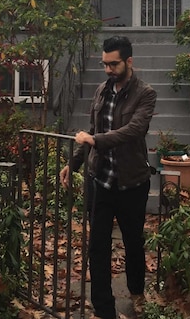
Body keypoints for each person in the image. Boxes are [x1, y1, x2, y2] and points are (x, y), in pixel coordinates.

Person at [60, 36, 157, 319]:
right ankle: (104, 310)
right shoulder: (102, 90)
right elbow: (92, 129)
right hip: (100, 181)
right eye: (104, 64)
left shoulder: (145, 94)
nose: (108, 70)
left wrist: (95, 140)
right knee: (97, 247)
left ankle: (137, 292)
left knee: (133, 243)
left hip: (131, 183)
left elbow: (134, 130)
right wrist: (74, 164)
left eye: (113, 64)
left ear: (129, 62)